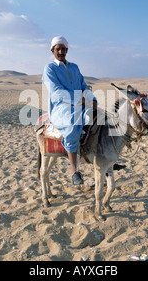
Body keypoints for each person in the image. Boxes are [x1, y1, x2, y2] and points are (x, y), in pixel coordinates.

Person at [42, 36, 97, 185]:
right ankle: (74, 171)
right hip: (61, 107)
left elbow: (84, 85)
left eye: (63, 49)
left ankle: (103, 158)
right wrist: (82, 100)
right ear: (52, 51)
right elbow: (57, 92)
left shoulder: (74, 67)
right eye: (57, 49)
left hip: (81, 102)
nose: (60, 51)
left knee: (100, 118)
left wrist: (91, 98)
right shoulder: (50, 69)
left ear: (67, 50)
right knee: (73, 124)